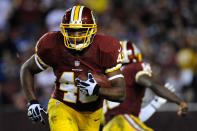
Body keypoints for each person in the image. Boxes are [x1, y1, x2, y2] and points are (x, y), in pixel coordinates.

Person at [20, 5, 126, 131]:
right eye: (71, 31)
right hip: (62, 106)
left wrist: (97, 90)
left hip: (92, 113)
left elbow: (121, 93)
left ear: (92, 30)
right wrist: (32, 101)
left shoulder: (105, 48)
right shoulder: (52, 44)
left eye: (81, 31)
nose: (76, 36)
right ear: (64, 30)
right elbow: (27, 68)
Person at [103, 40, 188, 131]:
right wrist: (180, 101)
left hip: (109, 126)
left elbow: (134, 117)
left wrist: (155, 103)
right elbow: (152, 85)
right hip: (122, 122)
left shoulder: (110, 77)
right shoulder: (133, 68)